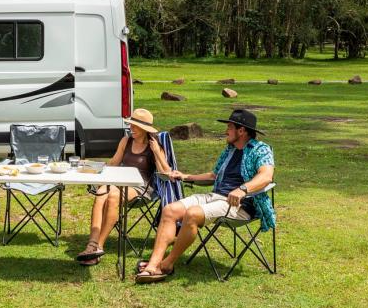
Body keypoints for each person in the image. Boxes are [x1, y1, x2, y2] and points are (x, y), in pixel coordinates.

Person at [135, 108, 275, 283]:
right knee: (170, 210)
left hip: (240, 205)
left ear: (242, 130)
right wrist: (186, 176)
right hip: (215, 196)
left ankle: (167, 264)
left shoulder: (260, 150)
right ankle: (153, 264)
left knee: (192, 214)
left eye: (230, 127)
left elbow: (266, 176)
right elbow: (214, 176)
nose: (226, 131)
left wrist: (242, 190)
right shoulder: (230, 150)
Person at [76, 107, 172, 265]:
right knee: (102, 191)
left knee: (113, 195)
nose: (131, 128)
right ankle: (92, 244)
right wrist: (93, 168)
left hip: (142, 187)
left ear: (144, 129)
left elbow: (166, 173)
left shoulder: (154, 145)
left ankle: (98, 247)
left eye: (134, 126)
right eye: (130, 124)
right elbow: (113, 163)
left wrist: (156, 152)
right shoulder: (126, 141)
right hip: (120, 181)